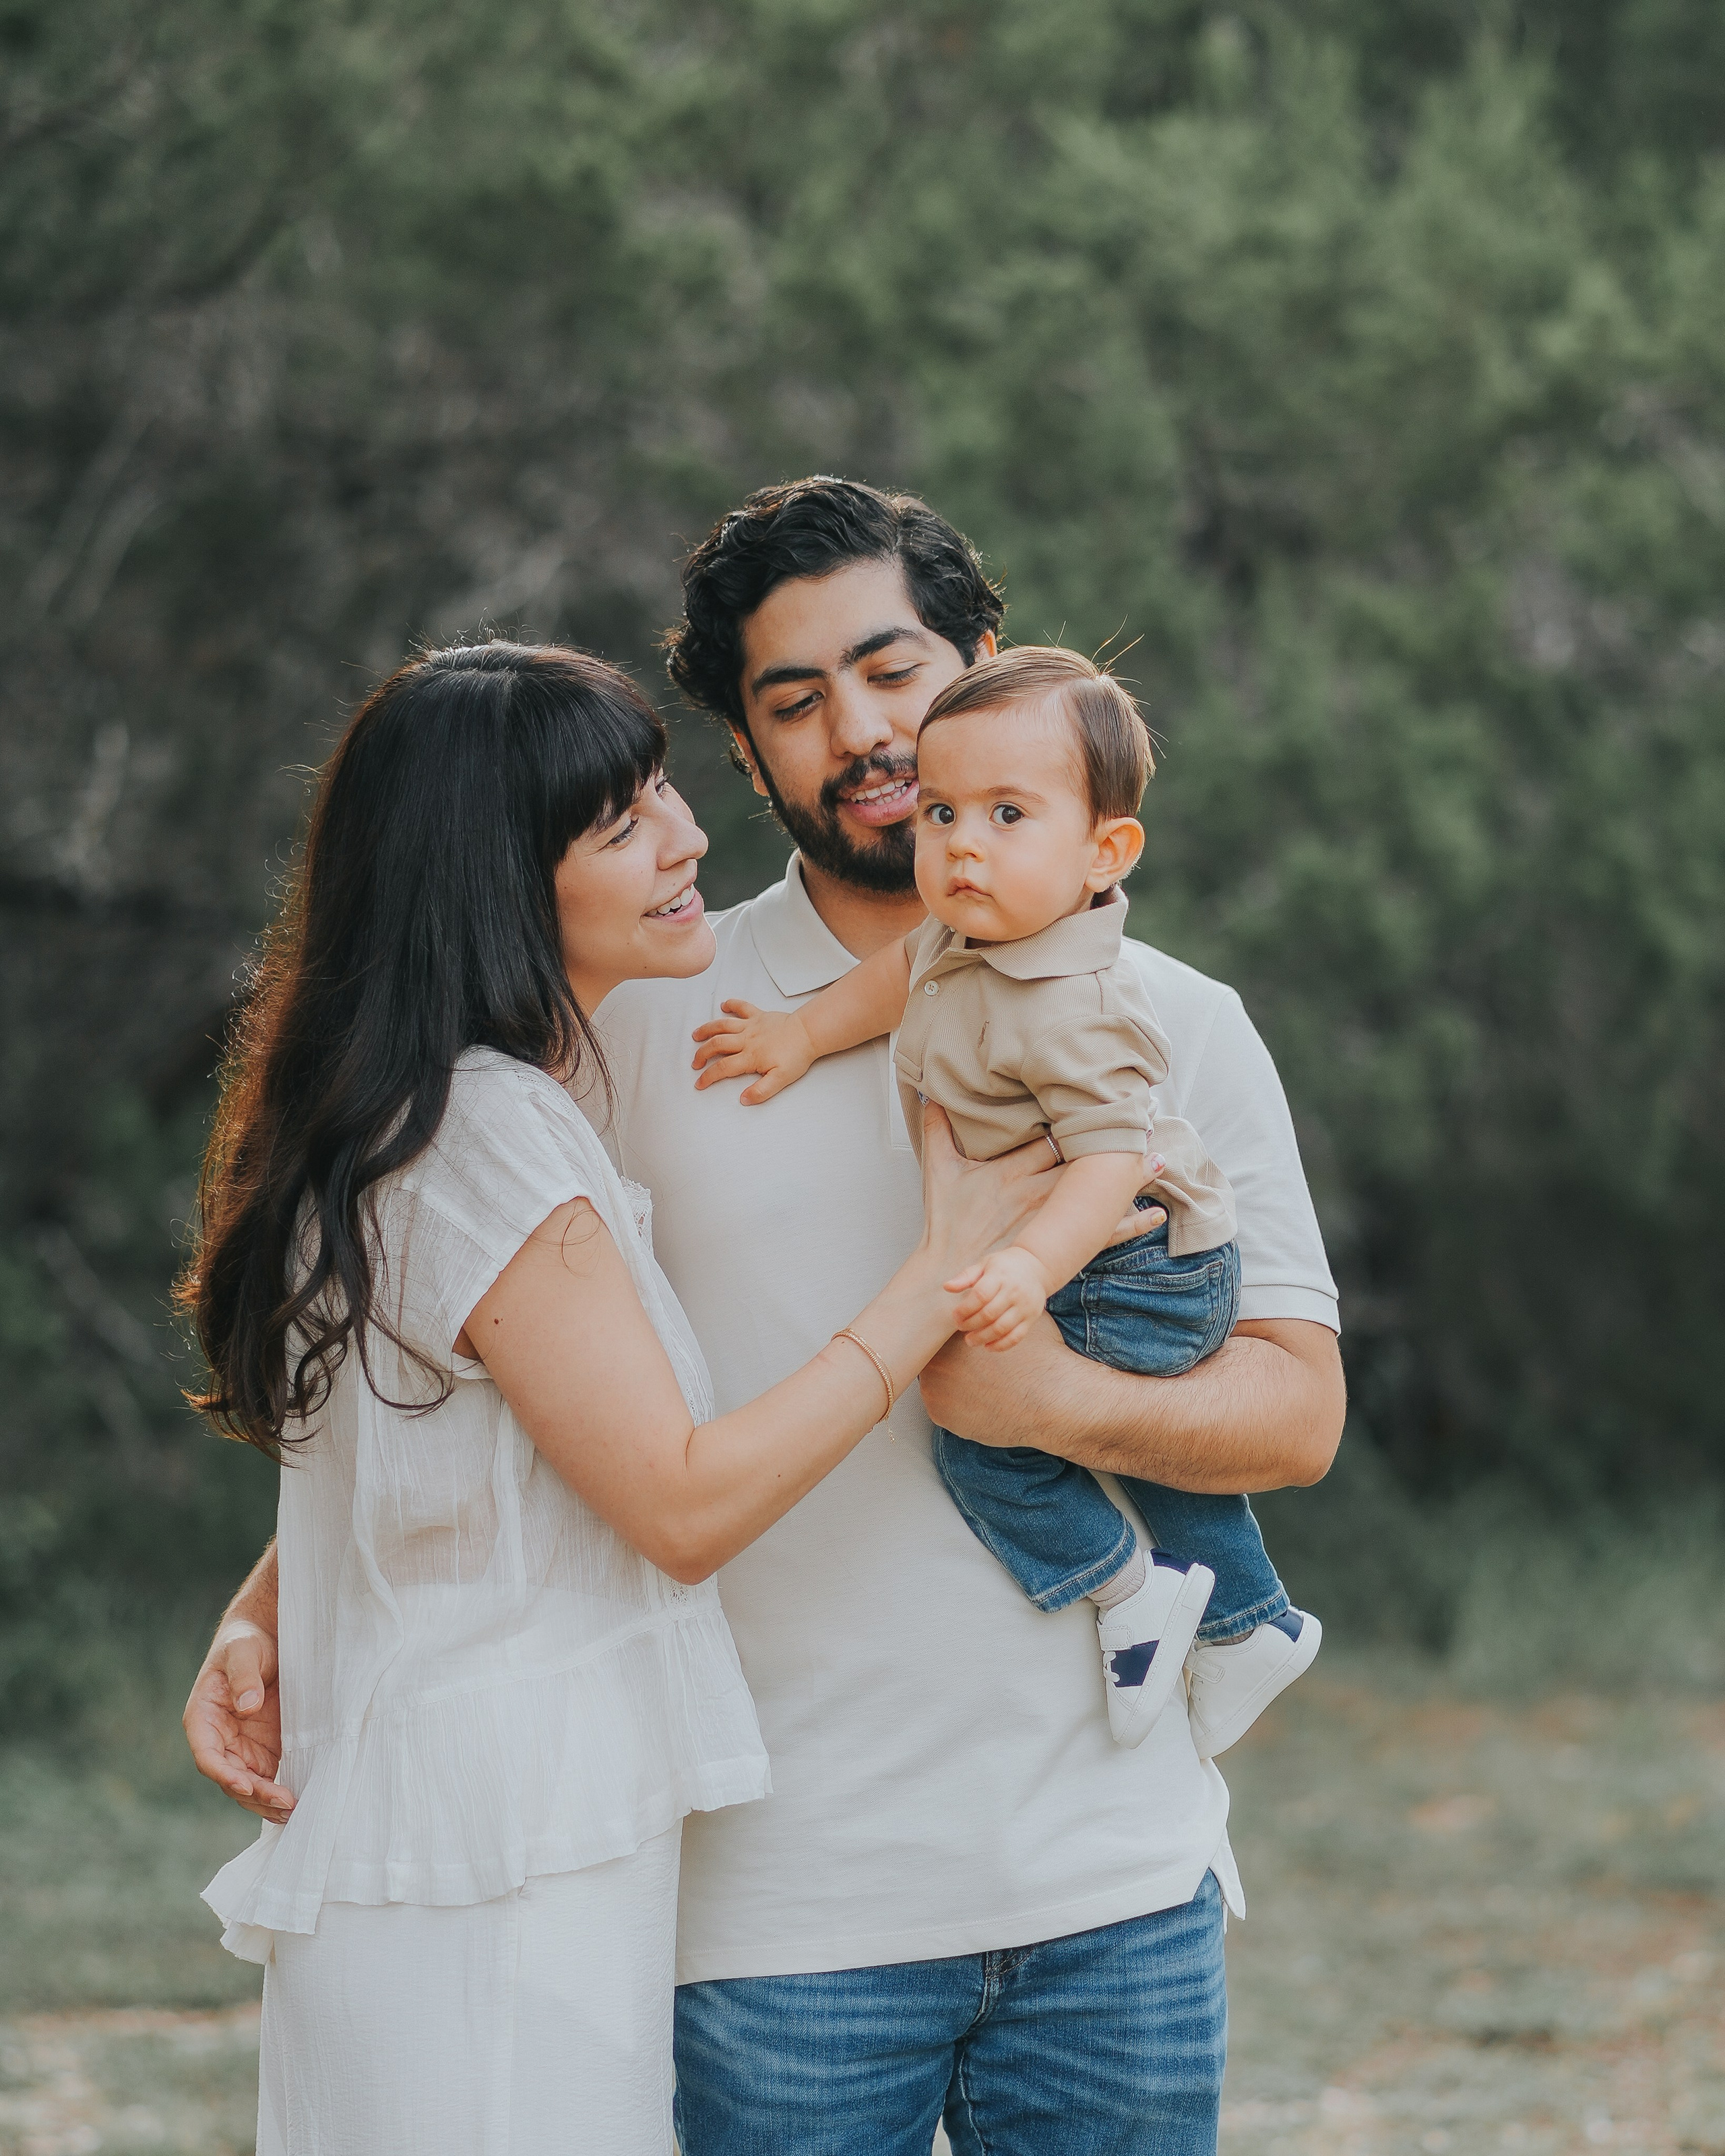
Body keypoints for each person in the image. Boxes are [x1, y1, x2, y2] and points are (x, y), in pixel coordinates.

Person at [188, 479, 1346, 2156]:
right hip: (773, 1915)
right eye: (792, 703)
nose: (863, 734)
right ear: (741, 754)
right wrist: (275, 1605)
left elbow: (1294, 1414)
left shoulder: (1169, 1024)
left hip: (1117, 1883)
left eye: (893, 673)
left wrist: (1044, 1407)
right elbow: (501, 1368)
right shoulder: (652, 1020)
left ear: (988, 670)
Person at [177, 639, 1050, 2156]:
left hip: (467, 1828)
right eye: (619, 821)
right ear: (494, 880)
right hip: (499, 1855)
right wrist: (940, 1277)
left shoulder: (417, 1103)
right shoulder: (488, 1130)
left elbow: (443, 1443)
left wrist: (265, 1606)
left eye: (662, 790)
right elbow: (679, 1501)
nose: (687, 837)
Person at [691, 642, 1320, 1756]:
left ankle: (1138, 1598)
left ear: (1104, 853)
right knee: (1066, 1416)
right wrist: (797, 1034)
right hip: (1084, 1251)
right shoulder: (966, 936)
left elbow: (1108, 1164)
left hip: (1138, 1259)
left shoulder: (1082, 1006)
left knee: (988, 1435)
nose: (961, 844)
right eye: (940, 814)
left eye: (1007, 815)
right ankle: (1244, 1619)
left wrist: (1027, 1272)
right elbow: (893, 982)